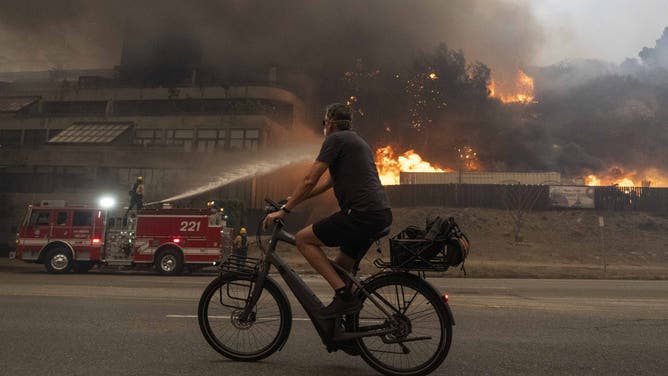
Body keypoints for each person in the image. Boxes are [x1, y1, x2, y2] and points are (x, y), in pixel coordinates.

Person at [263, 103, 392, 319]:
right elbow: (326, 183)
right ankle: (346, 325)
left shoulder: (335, 139)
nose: (324, 128)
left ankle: (344, 297)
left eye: (324, 123)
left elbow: (309, 178)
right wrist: (293, 200)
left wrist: (285, 210)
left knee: (304, 239)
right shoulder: (357, 141)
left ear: (330, 123)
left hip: (360, 214)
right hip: (378, 214)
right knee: (341, 267)